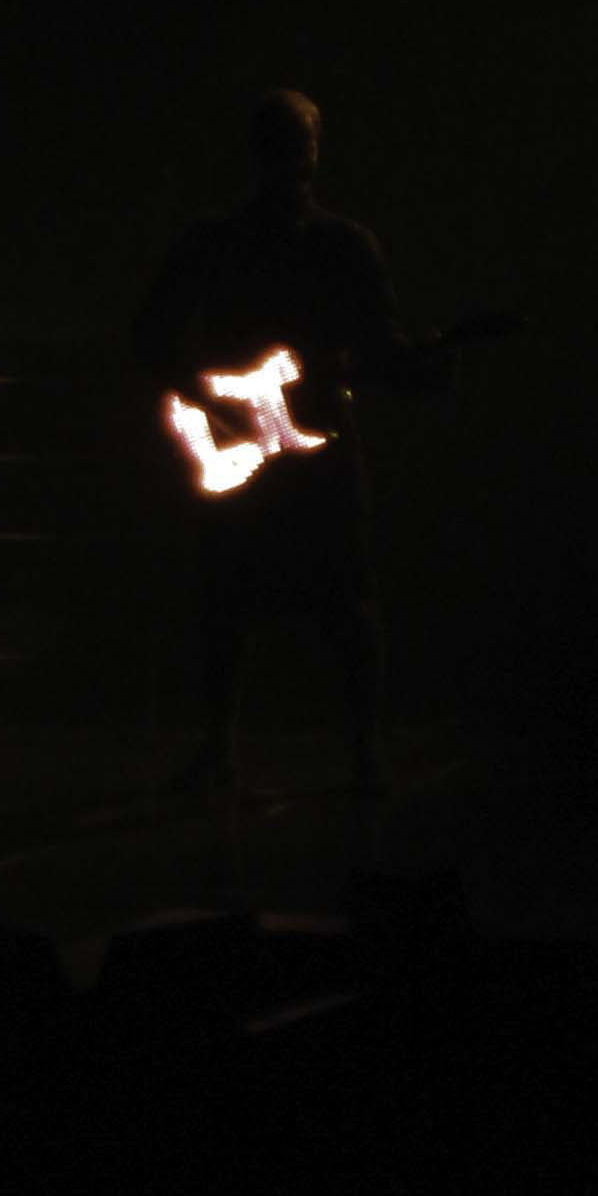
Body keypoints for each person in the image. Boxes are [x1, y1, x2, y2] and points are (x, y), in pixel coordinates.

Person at [129, 88, 434, 801]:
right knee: (267, 602)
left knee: (305, 599)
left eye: (292, 145)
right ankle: (337, 754)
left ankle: (314, 751)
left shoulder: (277, 243)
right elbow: (151, 335)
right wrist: (215, 405)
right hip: (296, 450)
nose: (292, 161)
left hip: (307, 447)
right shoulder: (321, 244)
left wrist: (211, 404)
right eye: (287, 145)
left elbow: (378, 347)